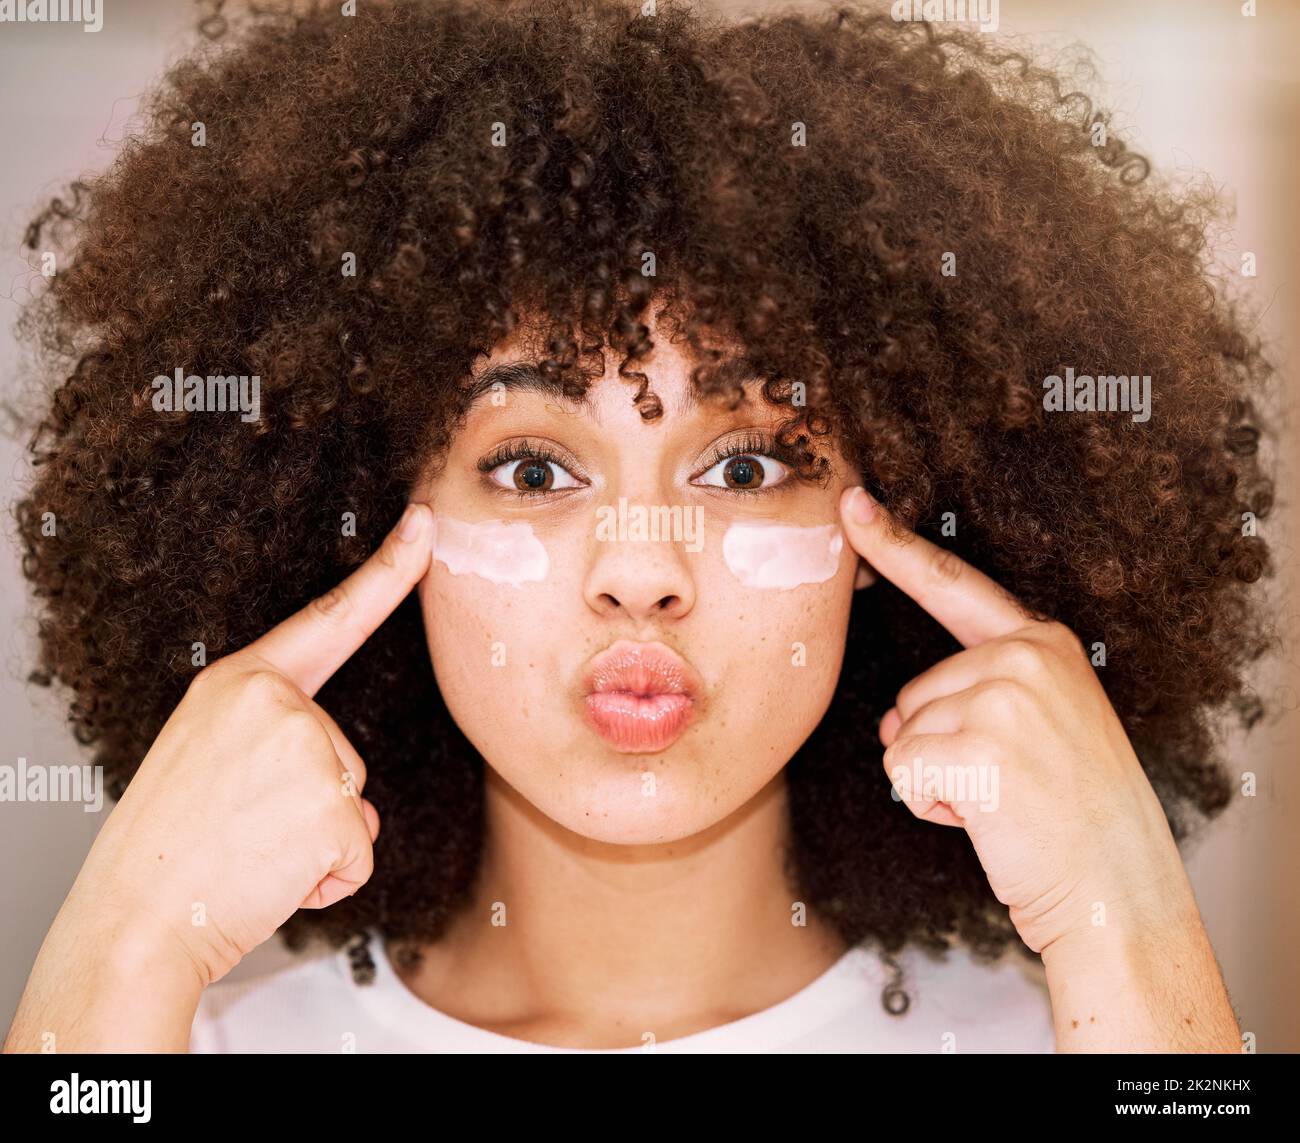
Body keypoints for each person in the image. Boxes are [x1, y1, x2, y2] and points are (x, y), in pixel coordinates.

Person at [4, 0, 1270, 1053]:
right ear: (367, 528)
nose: (642, 572)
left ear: (891, 526)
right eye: (535, 471)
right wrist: (123, 950)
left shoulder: (1093, 1039)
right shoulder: (166, 1044)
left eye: (746, 465)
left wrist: (1129, 919)